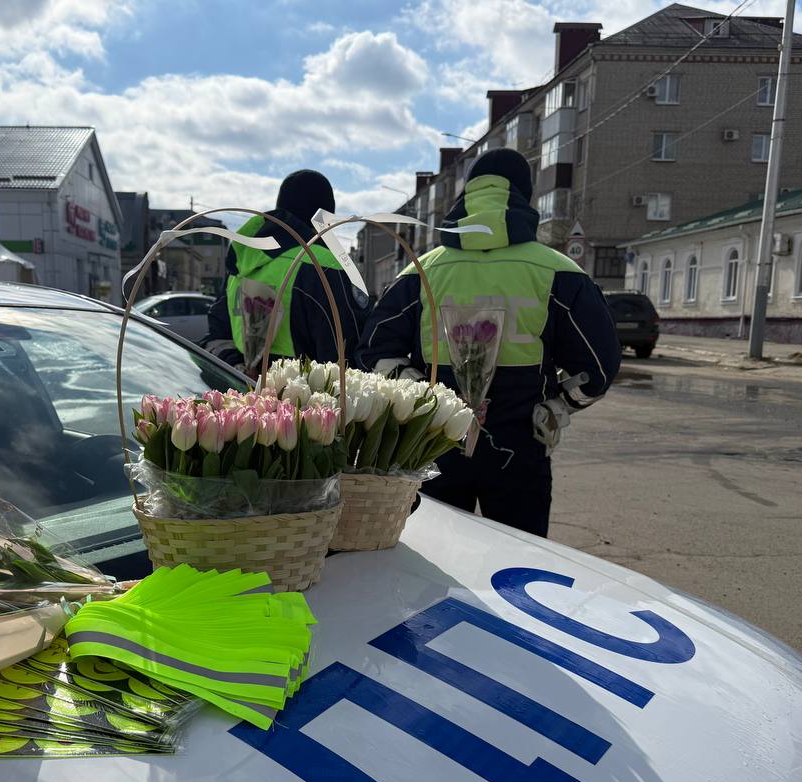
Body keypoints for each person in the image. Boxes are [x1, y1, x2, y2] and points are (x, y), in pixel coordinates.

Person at [358, 148, 620, 538]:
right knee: (518, 559)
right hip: (519, 448)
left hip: (434, 442)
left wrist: (420, 396)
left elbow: (374, 350)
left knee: (435, 556)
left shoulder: (421, 271)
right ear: (524, 197)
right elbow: (599, 367)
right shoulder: (559, 272)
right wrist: (558, 407)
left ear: (466, 195)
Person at [205, 170, 365, 374]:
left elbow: (217, 335)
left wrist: (241, 369)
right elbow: (349, 354)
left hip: (244, 388)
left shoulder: (242, 262)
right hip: (308, 392)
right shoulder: (324, 264)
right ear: (325, 217)